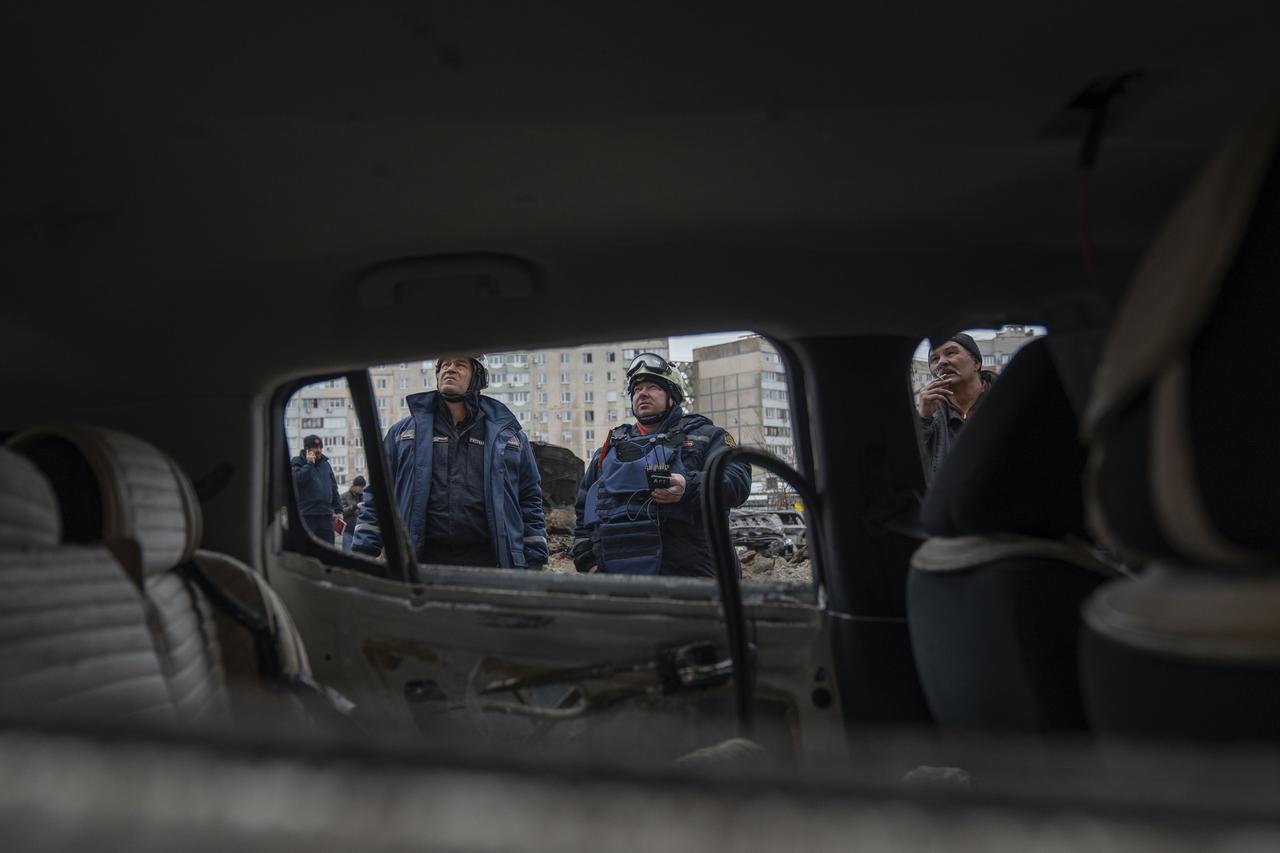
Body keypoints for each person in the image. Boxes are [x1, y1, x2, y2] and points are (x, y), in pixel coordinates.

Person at [352, 355, 548, 569]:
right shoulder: (404, 434)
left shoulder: (509, 437)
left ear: (478, 377)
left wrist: (534, 559)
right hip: (422, 561)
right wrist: (365, 550)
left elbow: (529, 498)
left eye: (460, 365)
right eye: (445, 365)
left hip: (489, 563)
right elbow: (378, 493)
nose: (450, 369)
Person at [572, 353, 751, 577]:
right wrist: (587, 561)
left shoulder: (709, 437)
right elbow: (584, 509)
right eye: (637, 389)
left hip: (695, 580)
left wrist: (689, 487)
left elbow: (738, 482)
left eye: (653, 386)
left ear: (672, 395)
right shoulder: (610, 450)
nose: (643, 393)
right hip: (621, 581)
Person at [918, 333, 996, 481]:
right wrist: (923, 419)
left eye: (951, 353)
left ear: (976, 363)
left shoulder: (1004, 400)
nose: (942, 362)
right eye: (935, 359)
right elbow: (913, 462)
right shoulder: (929, 414)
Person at [291, 434, 343, 545]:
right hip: (307, 516)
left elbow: (333, 488)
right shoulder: (298, 462)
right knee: (308, 549)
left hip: (326, 516)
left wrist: (339, 510)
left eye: (320, 447)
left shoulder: (325, 464)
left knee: (329, 549)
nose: (319, 450)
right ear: (307, 449)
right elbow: (298, 480)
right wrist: (309, 464)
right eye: (315, 448)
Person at [340, 475, 366, 551]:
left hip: (360, 532)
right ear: (355, 486)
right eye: (361, 487)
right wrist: (355, 506)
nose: (362, 489)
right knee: (347, 555)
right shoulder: (344, 496)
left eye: (363, 487)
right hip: (348, 531)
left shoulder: (362, 496)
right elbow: (342, 512)